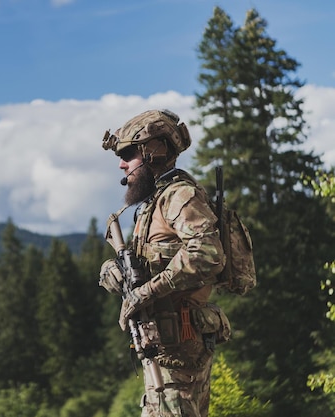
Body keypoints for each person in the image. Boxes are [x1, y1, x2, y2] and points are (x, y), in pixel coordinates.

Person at [99, 109, 230, 417]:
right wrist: (112, 271)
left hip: (179, 346)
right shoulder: (155, 202)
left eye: (129, 154)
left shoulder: (178, 196)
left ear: (152, 152)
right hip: (163, 346)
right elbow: (148, 262)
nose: (122, 164)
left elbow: (207, 253)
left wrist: (145, 294)